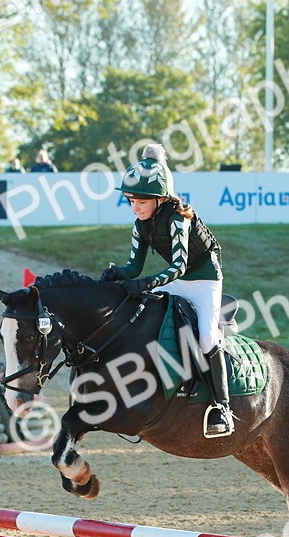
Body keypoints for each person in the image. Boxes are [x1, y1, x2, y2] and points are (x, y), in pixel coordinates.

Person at [101, 143, 232, 438]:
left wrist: (146, 284)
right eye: (131, 200)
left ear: (160, 199)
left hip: (204, 279)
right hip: (176, 279)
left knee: (208, 337)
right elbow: (133, 268)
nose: (135, 206)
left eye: (142, 201)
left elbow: (178, 267)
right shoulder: (140, 225)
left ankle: (222, 407)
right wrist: (117, 273)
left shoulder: (177, 219)